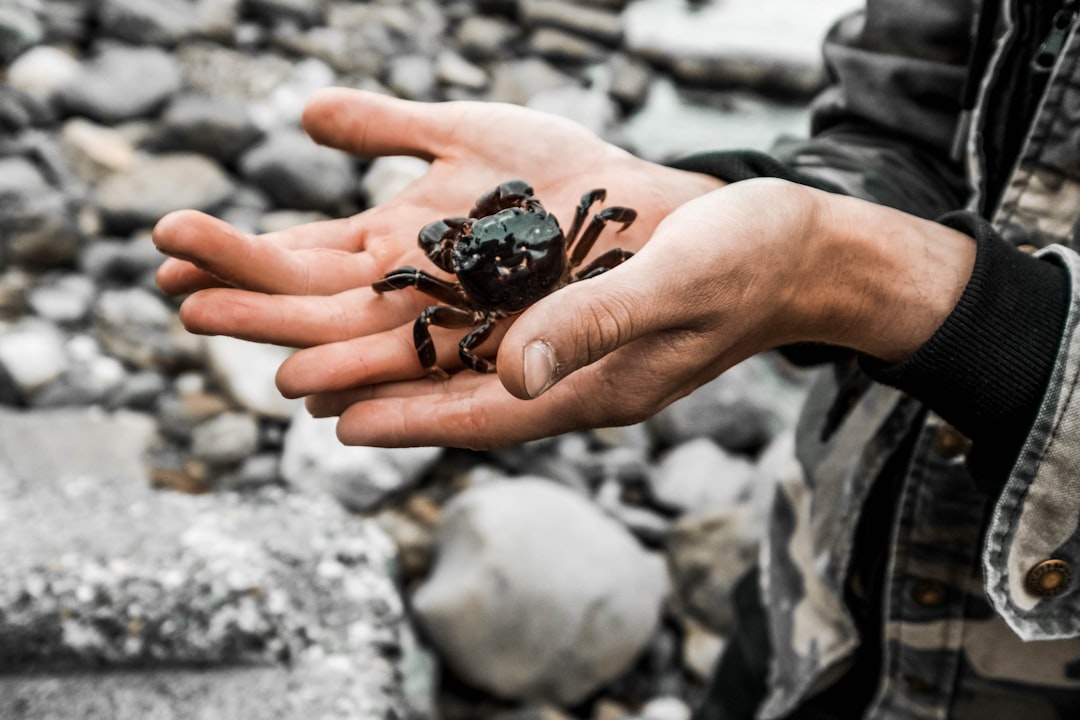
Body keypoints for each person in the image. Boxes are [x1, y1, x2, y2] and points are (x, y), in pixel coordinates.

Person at [154, 0, 1080, 717]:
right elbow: (899, 137)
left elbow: (446, 315)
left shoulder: (476, 274)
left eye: (510, 229)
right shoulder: (571, 235)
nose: (499, 235)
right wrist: (725, 197)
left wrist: (866, 280)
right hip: (823, 581)